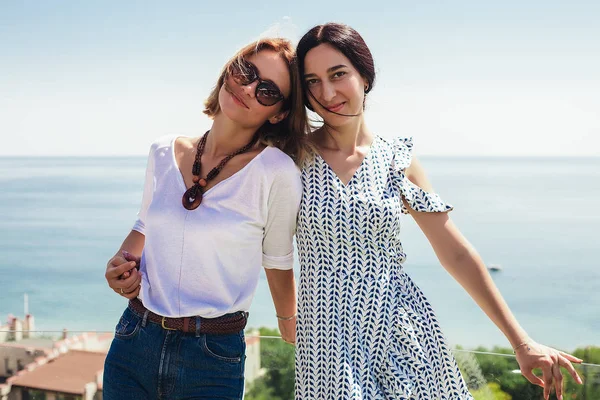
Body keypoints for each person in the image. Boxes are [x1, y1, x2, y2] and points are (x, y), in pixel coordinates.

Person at [293, 23, 583, 400]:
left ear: (364, 76)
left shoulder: (398, 159)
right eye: (312, 81)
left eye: (338, 74)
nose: (327, 93)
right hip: (326, 343)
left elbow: (456, 252)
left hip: (404, 331)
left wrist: (521, 341)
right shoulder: (291, 157)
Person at [102, 37, 306, 400]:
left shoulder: (276, 172)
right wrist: (120, 269)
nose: (248, 88)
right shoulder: (163, 150)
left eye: (268, 90)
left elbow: (276, 258)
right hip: (134, 340)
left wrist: (289, 324)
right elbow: (144, 224)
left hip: (212, 357)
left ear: (277, 114)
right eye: (246, 71)